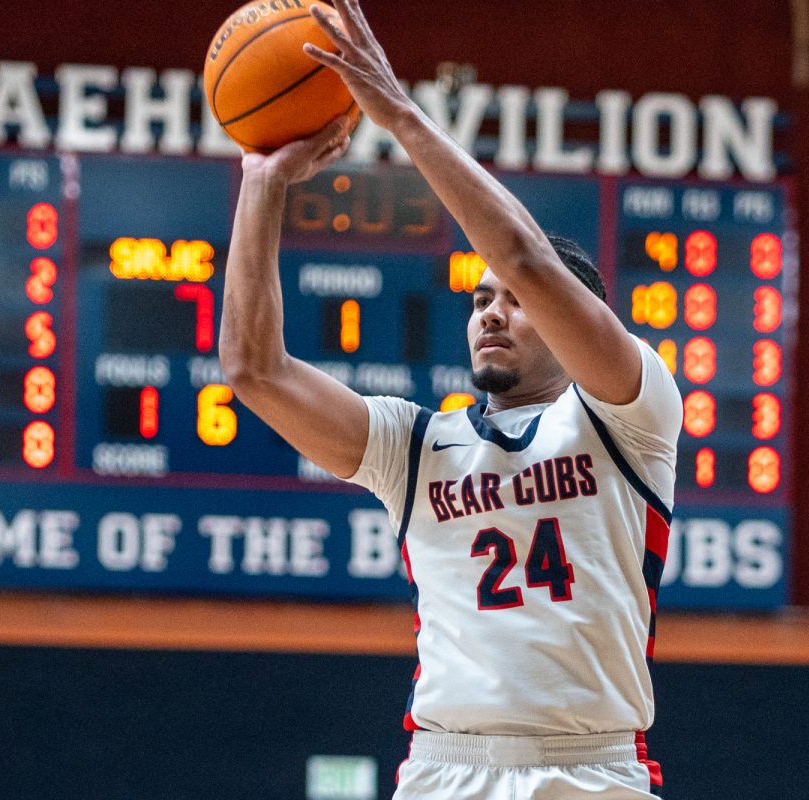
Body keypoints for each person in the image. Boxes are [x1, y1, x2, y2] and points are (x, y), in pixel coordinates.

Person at [217, 1, 682, 796]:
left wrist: (398, 115)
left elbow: (528, 257)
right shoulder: (415, 448)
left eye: (516, 302)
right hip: (444, 770)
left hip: (591, 769)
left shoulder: (628, 410)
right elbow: (253, 371)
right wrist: (262, 186)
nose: (492, 311)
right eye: (477, 302)